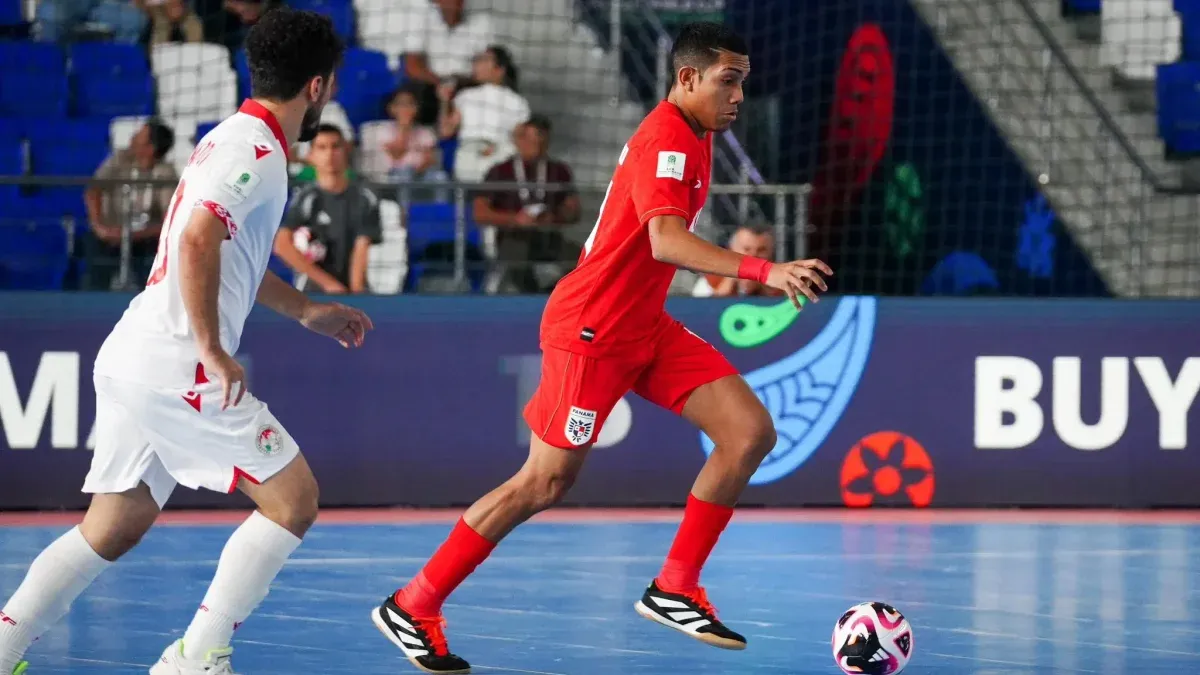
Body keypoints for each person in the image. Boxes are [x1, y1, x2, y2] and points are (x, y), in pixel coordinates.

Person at [370, 22, 832, 674]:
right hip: (593, 330)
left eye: (744, 83)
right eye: (728, 81)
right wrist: (766, 271)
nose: (738, 97)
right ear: (687, 78)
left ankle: (676, 584)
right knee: (544, 481)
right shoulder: (666, 141)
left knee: (748, 430)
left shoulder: (698, 137)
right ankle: (415, 603)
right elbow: (666, 242)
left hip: (645, 325)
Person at [0, 9, 370, 675]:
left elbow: (225, 252)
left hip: (138, 353)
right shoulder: (253, 150)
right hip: (175, 360)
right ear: (318, 87)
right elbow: (198, 239)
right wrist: (211, 348)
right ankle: (197, 656)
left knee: (111, 526)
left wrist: (306, 309)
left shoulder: (234, 138)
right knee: (293, 499)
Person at [275, 124, 383, 294]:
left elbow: (362, 247)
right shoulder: (305, 198)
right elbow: (282, 245)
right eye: (322, 147)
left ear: (346, 151)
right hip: (312, 292)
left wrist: (355, 293)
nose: (330, 154)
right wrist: (328, 284)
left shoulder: (366, 197)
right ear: (311, 156)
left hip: (354, 291)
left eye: (335, 146)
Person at [692, 225, 785, 297]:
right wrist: (730, 282)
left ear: (771, 253)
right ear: (732, 250)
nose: (753, 256)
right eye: (747, 249)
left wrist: (765, 290)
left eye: (761, 250)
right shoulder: (710, 281)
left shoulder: (784, 282)